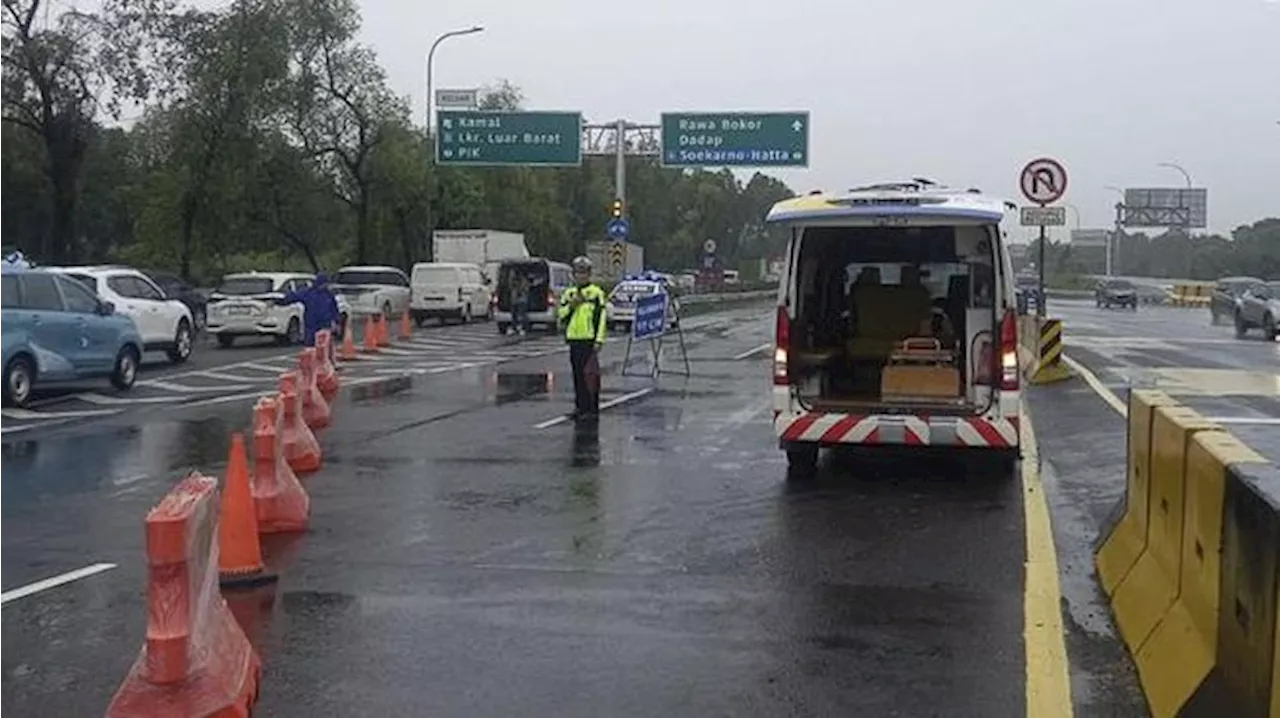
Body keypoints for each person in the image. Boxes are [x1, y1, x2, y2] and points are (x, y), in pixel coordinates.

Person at [557, 256, 608, 420]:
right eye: (578, 273)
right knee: (577, 375)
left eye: (584, 273)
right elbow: (560, 315)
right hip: (574, 340)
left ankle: (592, 409)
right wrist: (572, 305)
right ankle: (580, 406)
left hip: (589, 340)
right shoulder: (569, 293)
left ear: (589, 274)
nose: (581, 276)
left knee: (590, 376)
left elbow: (601, 318)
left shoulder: (596, 293)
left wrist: (599, 340)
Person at [277, 273, 340, 347]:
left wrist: (337, 322)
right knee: (311, 345)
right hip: (311, 325)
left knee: (324, 346)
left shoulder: (328, 295)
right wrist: (279, 301)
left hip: (325, 325)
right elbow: (293, 297)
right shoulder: (309, 293)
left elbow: (334, 309)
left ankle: (324, 356)